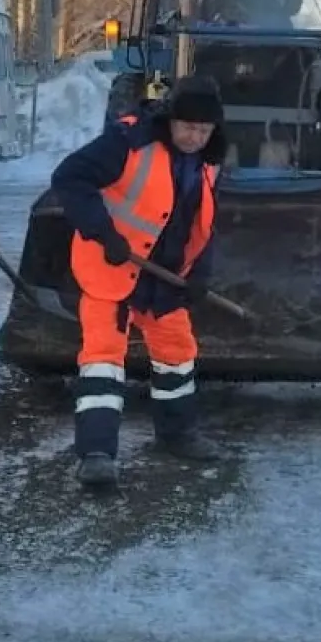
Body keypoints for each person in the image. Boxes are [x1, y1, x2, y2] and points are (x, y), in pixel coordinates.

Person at [49, 74, 230, 487]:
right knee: (102, 361)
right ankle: (96, 454)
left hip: (164, 278)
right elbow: (70, 177)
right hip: (110, 267)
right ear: (170, 119)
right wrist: (104, 232)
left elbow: (201, 223)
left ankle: (177, 434)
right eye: (187, 127)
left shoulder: (208, 160)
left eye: (203, 130)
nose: (194, 137)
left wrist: (199, 274)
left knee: (177, 353)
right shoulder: (129, 142)